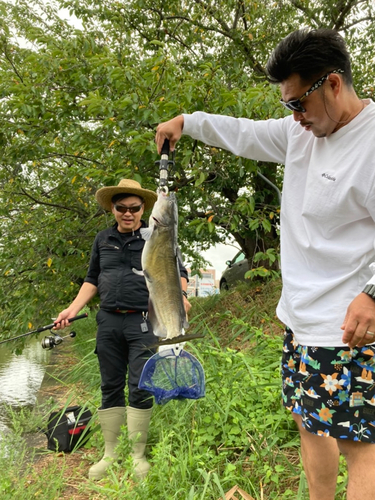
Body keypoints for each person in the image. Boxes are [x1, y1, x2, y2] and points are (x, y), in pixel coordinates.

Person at [155, 28, 375, 500]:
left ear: (333, 84)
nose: (294, 117)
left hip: (350, 328)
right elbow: (243, 133)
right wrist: (186, 122)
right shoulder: (303, 135)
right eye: (287, 106)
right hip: (299, 320)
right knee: (308, 423)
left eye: (299, 103)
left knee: (362, 447)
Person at [54, 179, 190, 481]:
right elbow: (91, 279)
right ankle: (110, 453)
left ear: (145, 209)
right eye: (121, 208)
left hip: (143, 321)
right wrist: (72, 310)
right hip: (108, 321)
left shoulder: (157, 237)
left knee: (140, 384)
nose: (127, 213)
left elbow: (178, 272)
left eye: (134, 208)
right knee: (110, 385)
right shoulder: (103, 239)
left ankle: (138, 455)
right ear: (113, 209)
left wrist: (181, 298)